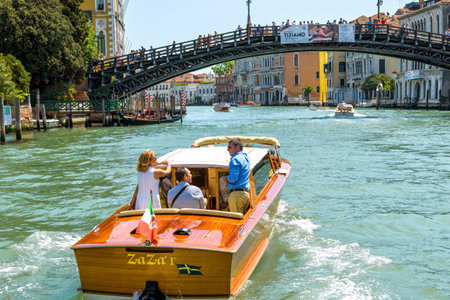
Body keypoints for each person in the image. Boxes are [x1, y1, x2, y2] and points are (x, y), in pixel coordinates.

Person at [225, 138, 250, 214]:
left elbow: (233, 179)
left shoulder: (235, 160)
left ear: (238, 147)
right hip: (245, 195)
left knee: (237, 223)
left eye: (230, 147)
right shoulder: (246, 157)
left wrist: (226, 178)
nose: (227, 149)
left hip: (237, 196)